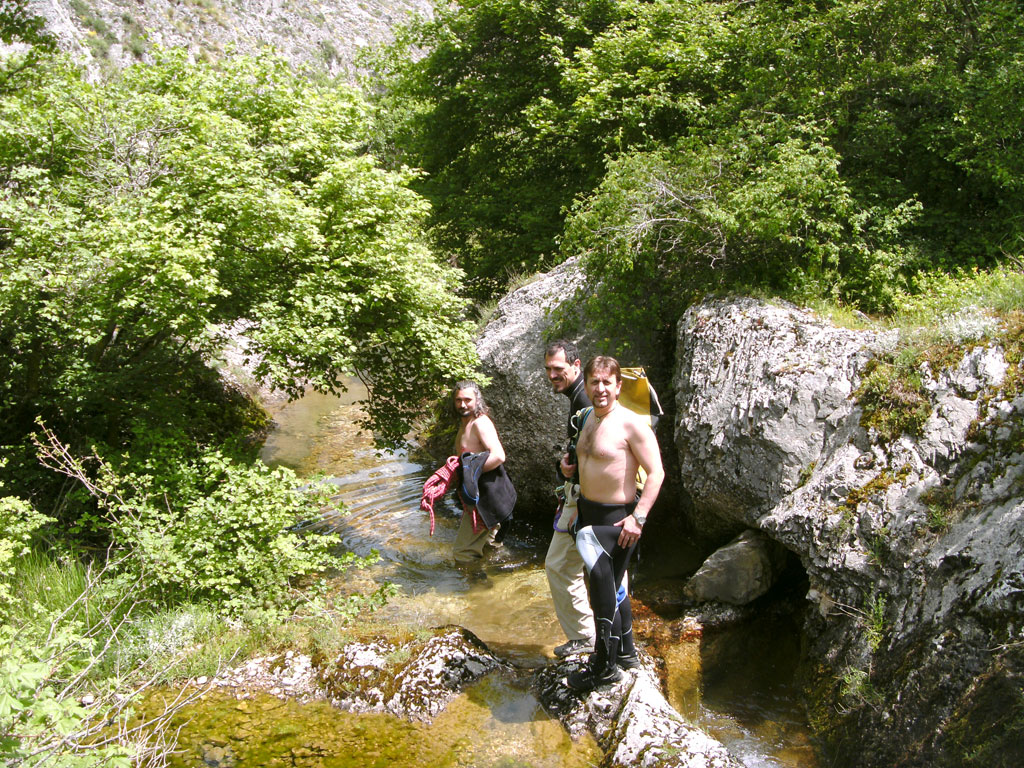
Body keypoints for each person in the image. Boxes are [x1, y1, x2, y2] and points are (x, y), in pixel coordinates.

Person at [567, 356, 664, 691]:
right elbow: (588, 464)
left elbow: (657, 473)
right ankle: (626, 653)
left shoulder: (632, 423)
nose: (601, 388)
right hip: (588, 511)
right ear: (588, 384)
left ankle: (604, 666)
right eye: (595, 381)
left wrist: (638, 518)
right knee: (615, 585)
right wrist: (568, 470)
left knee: (600, 587)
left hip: (617, 520)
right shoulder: (586, 420)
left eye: (608, 382)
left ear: (619, 386)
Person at [543, 340, 595, 657]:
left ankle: (584, 637)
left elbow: (599, 457)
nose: (552, 375)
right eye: (548, 369)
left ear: (576, 365)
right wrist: (566, 465)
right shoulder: (579, 398)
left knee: (559, 566)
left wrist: (581, 505)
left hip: (586, 497)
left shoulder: (584, 400)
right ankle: (606, 634)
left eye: (558, 369)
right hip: (584, 494)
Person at [451, 381, 515, 563]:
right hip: (478, 495)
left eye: (467, 400)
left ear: (477, 399)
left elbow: (499, 456)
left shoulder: (480, 423)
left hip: (486, 497)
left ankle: (476, 589)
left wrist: (470, 475)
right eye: (458, 400)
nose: (462, 404)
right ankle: (498, 582)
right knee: (489, 547)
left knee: (463, 553)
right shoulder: (465, 423)